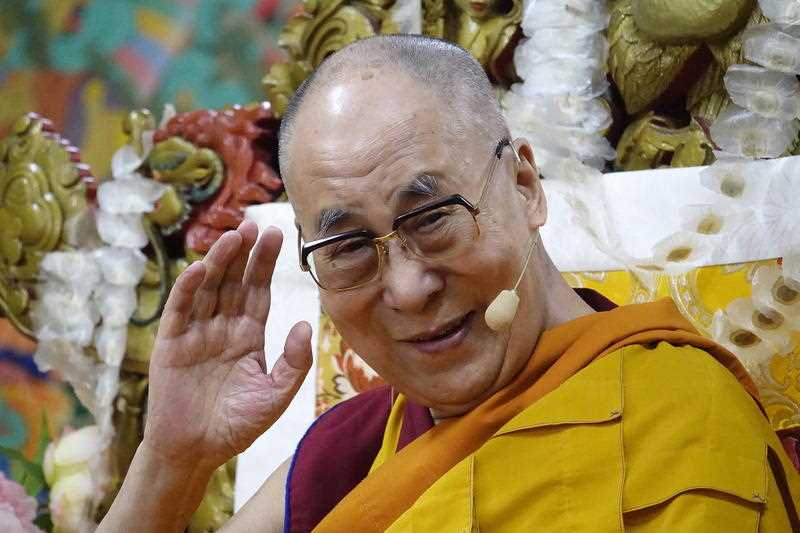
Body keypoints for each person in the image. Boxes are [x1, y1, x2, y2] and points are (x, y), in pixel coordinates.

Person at [98, 35, 800, 532]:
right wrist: (170, 460)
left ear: (524, 186)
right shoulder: (350, 452)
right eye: (347, 246)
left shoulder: (681, 425)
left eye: (432, 216)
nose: (405, 288)